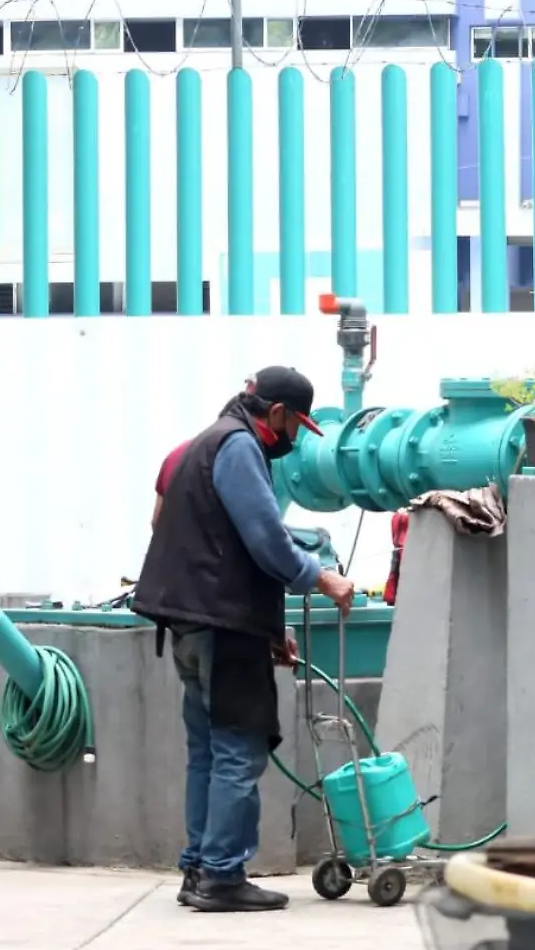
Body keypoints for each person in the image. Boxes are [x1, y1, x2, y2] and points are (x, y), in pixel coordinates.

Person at [132, 366, 358, 913]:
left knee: (208, 750)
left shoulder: (204, 442)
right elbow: (265, 539)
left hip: (192, 620)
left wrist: (271, 629)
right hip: (218, 626)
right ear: (276, 414)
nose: (296, 439)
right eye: (297, 426)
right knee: (238, 749)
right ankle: (223, 875)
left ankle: (198, 868)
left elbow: (219, 544)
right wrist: (321, 577)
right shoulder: (237, 448)